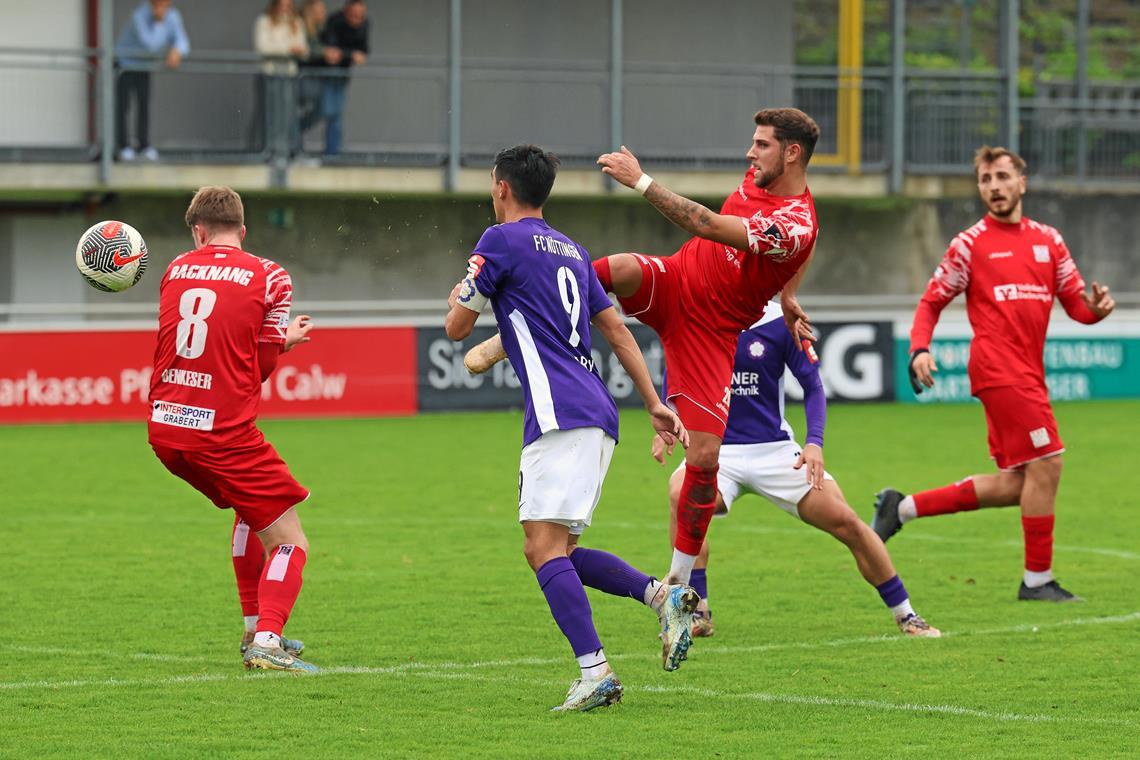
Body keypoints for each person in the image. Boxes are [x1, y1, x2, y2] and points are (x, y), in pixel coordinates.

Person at [467, 109, 821, 595]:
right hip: (677, 278)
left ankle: (679, 581)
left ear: (792, 152)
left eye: (761, 145)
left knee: (705, 456)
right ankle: (514, 334)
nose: (750, 153)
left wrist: (642, 182)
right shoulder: (764, 180)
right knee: (611, 269)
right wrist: (788, 295)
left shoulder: (796, 222)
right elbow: (799, 252)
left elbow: (710, 225)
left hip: (713, 330)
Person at [444, 145, 698, 712]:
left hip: (559, 413)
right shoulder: (573, 251)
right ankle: (664, 596)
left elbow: (458, 327)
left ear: (501, 187)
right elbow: (619, 333)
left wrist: (460, 300)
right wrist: (653, 402)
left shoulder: (499, 240)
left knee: (540, 547)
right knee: (561, 548)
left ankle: (595, 672)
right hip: (597, 411)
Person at [872, 146, 1116, 602]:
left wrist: (1098, 311)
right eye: (986, 180)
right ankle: (1037, 581)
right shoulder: (969, 244)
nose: (994, 187)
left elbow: (1078, 307)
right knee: (1050, 462)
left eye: (1003, 177)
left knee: (1020, 485)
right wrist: (919, 349)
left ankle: (900, 508)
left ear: (1022, 182)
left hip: (1028, 373)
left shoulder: (1050, 240)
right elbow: (931, 301)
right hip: (998, 370)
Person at [656, 306, 940, 638]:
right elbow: (676, 368)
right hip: (716, 448)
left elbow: (813, 385)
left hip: (775, 451)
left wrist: (814, 443)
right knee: (682, 496)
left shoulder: (782, 320)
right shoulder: (700, 311)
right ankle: (697, 610)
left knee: (847, 522)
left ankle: (907, 615)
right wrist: (666, 416)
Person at [148, 186, 319, 672]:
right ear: (243, 230)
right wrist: (284, 342)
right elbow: (259, 367)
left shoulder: (175, 268)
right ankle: (268, 639)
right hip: (222, 434)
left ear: (198, 231)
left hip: (165, 431)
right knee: (290, 540)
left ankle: (252, 627)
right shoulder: (271, 277)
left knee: (250, 511)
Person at [115, 0, 190, 162]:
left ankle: (144, 146)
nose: (163, 7)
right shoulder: (139, 15)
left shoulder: (173, 15)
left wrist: (177, 50)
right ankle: (123, 147)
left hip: (143, 65)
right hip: (124, 64)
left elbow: (183, 41)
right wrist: (160, 21)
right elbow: (150, 45)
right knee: (123, 106)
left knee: (144, 105)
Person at [252, 0, 308, 155]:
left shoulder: (296, 22)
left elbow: (303, 48)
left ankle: (287, 149)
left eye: (289, 6)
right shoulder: (265, 22)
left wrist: (296, 50)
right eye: (282, 5)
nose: (285, 9)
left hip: (289, 74)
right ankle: (269, 150)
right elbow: (263, 47)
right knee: (270, 113)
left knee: (288, 113)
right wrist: (288, 50)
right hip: (270, 74)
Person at [318, 0, 369, 156]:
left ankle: (333, 151)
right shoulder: (335, 21)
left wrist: (358, 55)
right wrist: (350, 54)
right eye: (354, 15)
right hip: (327, 71)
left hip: (343, 72)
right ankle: (331, 152)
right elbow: (332, 50)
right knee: (329, 111)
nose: (357, 19)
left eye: (360, 16)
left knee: (336, 111)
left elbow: (363, 48)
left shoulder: (365, 23)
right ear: (347, 10)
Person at [297, 0, 339, 151]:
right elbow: (305, 49)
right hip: (300, 77)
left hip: (314, 77)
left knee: (323, 109)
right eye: (320, 9)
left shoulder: (322, 28)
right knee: (296, 112)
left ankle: (296, 135)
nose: (323, 12)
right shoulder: (301, 26)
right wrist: (324, 53)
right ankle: (295, 146)